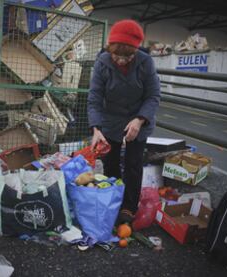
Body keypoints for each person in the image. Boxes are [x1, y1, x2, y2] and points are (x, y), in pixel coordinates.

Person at [87, 19, 160, 224]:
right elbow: (94, 99)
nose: (120, 61)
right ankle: (113, 199)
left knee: (133, 164)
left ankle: (129, 207)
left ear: (135, 52)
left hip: (139, 120)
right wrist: (96, 129)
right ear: (109, 49)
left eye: (127, 56)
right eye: (116, 55)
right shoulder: (102, 63)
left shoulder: (146, 62)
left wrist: (139, 119)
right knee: (110, 164)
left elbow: (153, 96)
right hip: (111, 120)